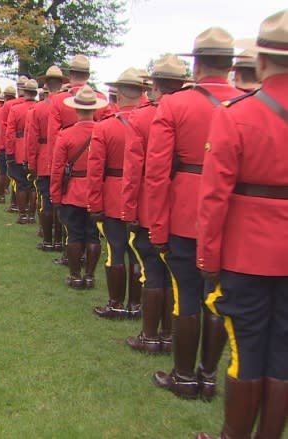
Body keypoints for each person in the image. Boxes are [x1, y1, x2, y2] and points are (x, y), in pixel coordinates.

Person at [195, 11, 288, 439]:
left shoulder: (236, 115)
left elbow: (214, 197)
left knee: (247, 351)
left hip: (247, 254)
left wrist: (208, 258)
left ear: (262, 63)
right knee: (283, 354)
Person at [145, 27, 242, 401]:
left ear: (196, 64)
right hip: (231, 214)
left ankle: (184, 376)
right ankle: (209, 374)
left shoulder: (174, 105)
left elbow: (156, 173)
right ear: (230, 63)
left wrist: (157, 223)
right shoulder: (247, 102)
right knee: (217, 297)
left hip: (185, 210)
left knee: (187, 294)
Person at [122, 55, 188, 354]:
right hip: (188, 211)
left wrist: (129, 211)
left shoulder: (141, 118)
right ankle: (171, 335)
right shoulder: (209, 111)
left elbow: (134, 171)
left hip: (151, 206)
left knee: (152, 271)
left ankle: (150, 336)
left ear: (155, 85)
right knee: (179, 278)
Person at [88, 68, 149, 319]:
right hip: (142, 195)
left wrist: (94, 203)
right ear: (142, 93)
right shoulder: (151, 121)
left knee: (115, 250)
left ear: (119, 93)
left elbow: (95, 170)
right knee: (137, 253)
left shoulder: (104, 128)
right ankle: (135, 305)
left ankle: (115, 304)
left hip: (113, 194)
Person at [49, 85, 104, 289]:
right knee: (93, 235)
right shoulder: (103, 131)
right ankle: (89, 276)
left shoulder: (65, 135)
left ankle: (75, 275)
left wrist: (55, 195)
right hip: (97, 191)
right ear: (95, 108)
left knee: (74, 234)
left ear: (76, 109)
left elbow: (57, 169)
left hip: (72, 192)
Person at [29, 65, 68, 252]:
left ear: (45, 84)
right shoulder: (69, 104)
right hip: (66, 156)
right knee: (61, 202)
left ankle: (48, 240)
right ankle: (60, 240)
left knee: (47, 200)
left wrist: (31, 162)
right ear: (62, 83)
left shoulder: (38, 109)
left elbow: (32, 139)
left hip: (44, 157)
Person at [6, 79, 38, 224]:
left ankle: (23, 214)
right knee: (33, 185)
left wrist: (10, 153)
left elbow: (9, 133)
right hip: (36, 149)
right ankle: (32, 214)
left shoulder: (16, 109)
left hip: (19, 149)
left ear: (24, 92)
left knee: (21, 183)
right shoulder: (40, 107)